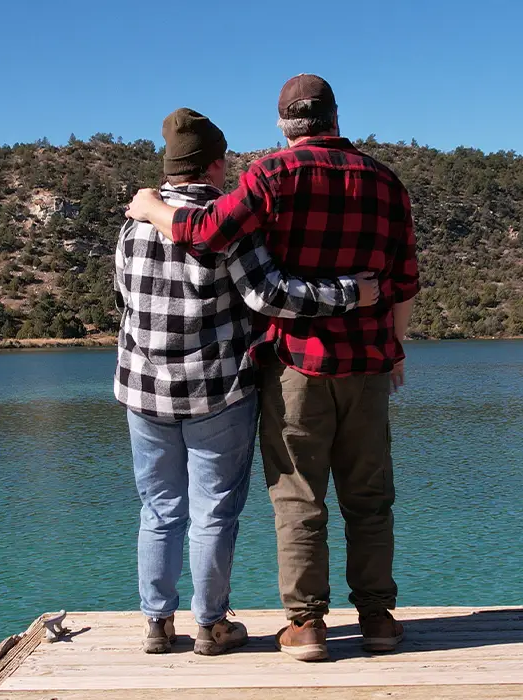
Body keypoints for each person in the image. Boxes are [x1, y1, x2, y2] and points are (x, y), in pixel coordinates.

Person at [126, 75, 419, 662]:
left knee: (298, 499)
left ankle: (306, 626)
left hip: (294, 365)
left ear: (284, 123)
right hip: (366, 362)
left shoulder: (269, 176)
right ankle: (378, 620)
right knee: (369, 498)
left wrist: (152, 207)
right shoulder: (387, 181)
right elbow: (405, 280)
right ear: (335, 114)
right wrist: (395, 349)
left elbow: (205, 233)